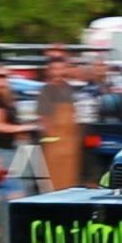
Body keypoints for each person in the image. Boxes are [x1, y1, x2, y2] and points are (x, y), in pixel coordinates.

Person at [36, 53, 81, 191]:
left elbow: (76, 115)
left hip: (71, 148)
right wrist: (54, 141)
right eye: (54, 69)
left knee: (70, 187)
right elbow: (43, 122)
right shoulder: (45, 91)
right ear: (49, 71)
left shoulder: (69, 89)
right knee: (53, 188)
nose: (58, 73)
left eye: (61, 69)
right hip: (53, 149)